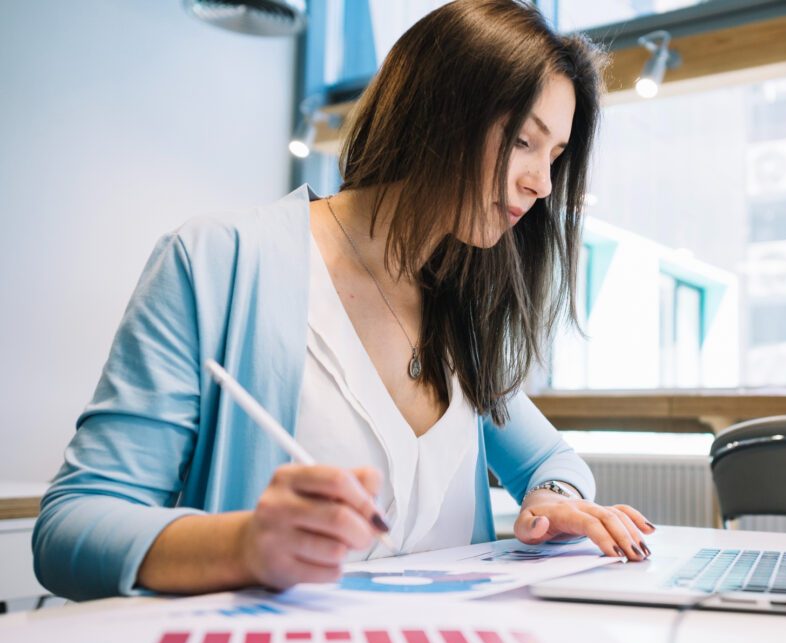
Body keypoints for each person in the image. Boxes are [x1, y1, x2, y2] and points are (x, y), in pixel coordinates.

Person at [32, 0, 654, 602]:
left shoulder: (460, 304)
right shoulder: (217, 260)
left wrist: (550, 499)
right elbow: (72, 526)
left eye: (556, 156)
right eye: (523, 140)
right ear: (438, 113)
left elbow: (551, 459)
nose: (542, 184)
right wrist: (244, 545)